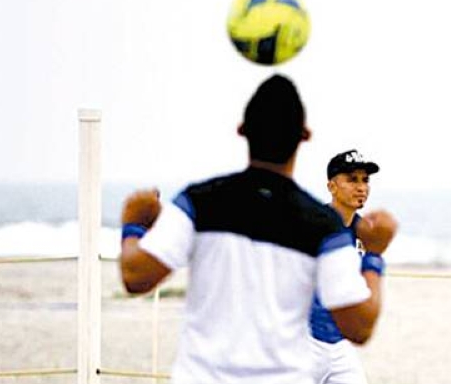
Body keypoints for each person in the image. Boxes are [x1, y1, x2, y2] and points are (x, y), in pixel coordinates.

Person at [118, 74, 396, 384]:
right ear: (304, 136)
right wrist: (374, 254)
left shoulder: (198, 201)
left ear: (242, 131)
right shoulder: (321, 226)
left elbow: (135, 276)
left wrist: (134, 224)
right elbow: (359, 326)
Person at [308, 149, 380, 384]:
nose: (361, 187)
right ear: (331, 186)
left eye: (365, 180)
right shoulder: (312, 224)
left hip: (340, 345)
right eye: (351, 179)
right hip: (303, 341)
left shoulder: (364, 233)